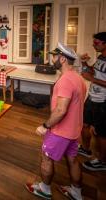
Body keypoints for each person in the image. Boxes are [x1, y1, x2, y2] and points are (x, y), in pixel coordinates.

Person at [25, 42, 86, 200]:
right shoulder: (78, 78)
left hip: (61, 130)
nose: (52, 58)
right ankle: (76, 192)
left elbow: (61, 110)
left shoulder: (65, 80)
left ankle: (44, 189)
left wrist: (45, 126)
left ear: (63, 59)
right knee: (72, 160)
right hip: (74, 130)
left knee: (46, 156)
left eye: (54, 56)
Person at [78, 32, 106, 171]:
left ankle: (102, 162)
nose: (93, 45)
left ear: (105, 44)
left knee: (100, 133)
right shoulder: (101, 58)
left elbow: (92, 77)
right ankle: (85, 149)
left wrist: (91, 79)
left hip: (103, 102)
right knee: (84, 124)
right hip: (92, 97)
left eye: (96, 43)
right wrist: (84, 63)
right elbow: (92, 71)